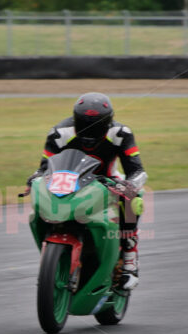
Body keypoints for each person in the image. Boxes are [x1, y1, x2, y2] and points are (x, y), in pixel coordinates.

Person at [25, 92, 148, 290]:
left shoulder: (121, 133)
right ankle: (52, 255)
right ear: (75, 119)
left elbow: (137, 171)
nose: (90, 130)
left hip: (108, 182)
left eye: (97, 124)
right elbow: (43, 168)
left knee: (134, 199)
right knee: (41, 200)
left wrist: (130, 185)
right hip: (70, 182)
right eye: (84, 123)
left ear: (108, 122)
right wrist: (34, 178)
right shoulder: (59, 132)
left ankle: (129, 259)